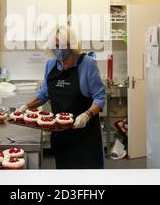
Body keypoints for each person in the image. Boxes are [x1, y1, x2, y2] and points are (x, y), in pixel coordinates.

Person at [17, 26, 106, 169]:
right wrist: (26, 106)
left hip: (85, 136)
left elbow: (100, 98)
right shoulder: (50, 65)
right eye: (54, 45)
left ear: (71, 44)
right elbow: (44, 94)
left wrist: (87, 115)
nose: (58, 49)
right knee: (65, 175)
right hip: (61, 135)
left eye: (61, 45)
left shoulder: (87, 64)